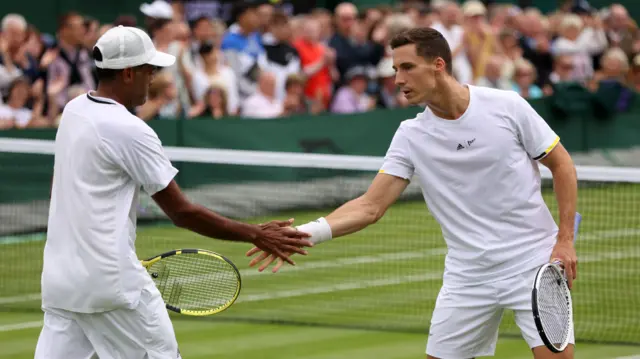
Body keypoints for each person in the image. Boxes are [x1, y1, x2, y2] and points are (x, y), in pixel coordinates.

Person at [247, 27, 578, 359]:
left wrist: (564, 239)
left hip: (532, 261)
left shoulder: (506, 105)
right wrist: (303, 233)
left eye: (407, 67)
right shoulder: (411, 135)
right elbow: (370, 206)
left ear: (437, 64)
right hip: (468, 274)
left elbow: (562, 165)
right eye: (395, 70)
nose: (398, 79)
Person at [35, 26, 312, 359]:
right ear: (127, 73)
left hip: (61, 282)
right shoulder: (131, 130)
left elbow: (64, 192)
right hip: (112, 287)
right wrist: (256, 234)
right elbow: (181, 212)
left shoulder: (74, 110)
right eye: (148, 69)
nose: (153, 76)